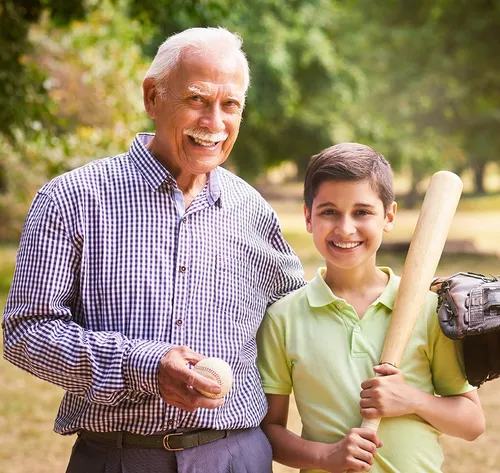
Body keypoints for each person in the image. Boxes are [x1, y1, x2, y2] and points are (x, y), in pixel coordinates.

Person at [2, 27, 305, 473]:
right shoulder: (72, 198)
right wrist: (143, 365)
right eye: (197, 99)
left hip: (236, 456)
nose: (214, 123)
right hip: (119, 458)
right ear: (152, 97)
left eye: (230, 105)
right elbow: (26, 334)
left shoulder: (251, 210)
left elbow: (302, 315)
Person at [257, 143, 485, 473]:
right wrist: (325, 457)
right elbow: (269, 430)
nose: (345, 228)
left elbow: (472, 422)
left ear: (388, 216)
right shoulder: (284, 317)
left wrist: (411, 399)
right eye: (329, 211)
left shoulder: (429, 308)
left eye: (362, 212)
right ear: (308, 217)